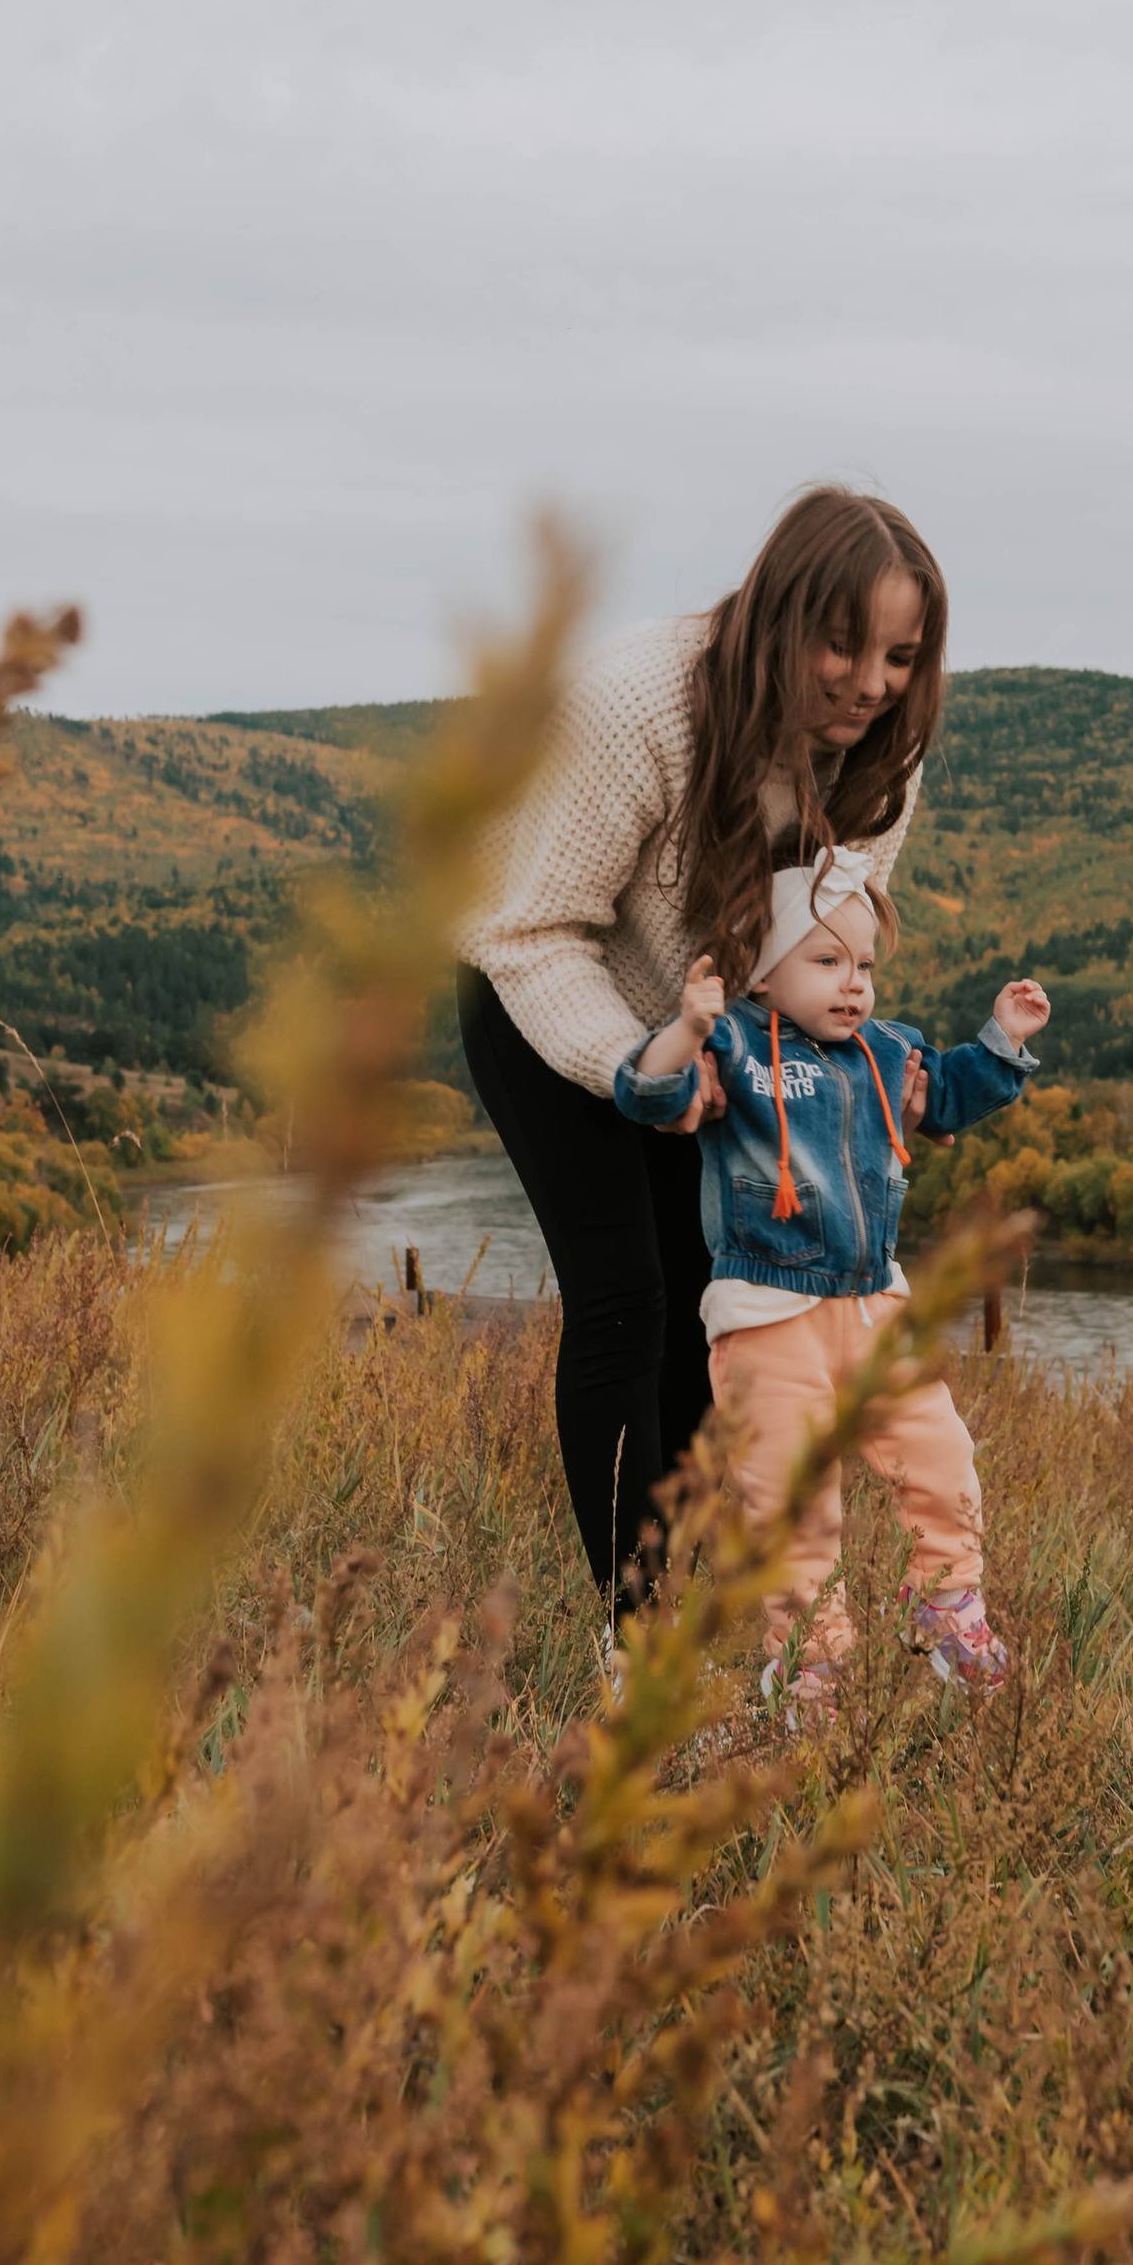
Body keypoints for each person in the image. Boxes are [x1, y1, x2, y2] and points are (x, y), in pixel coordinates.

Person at [457, 487, 944, 1613]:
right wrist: (649, 1068)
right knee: (625, 1295)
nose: (870, 685)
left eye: (900, 656)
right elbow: (523, 929)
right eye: (842, 645)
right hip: (547, 998)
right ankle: (628, 1629)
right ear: (779, 617)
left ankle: (672, 1588)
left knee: (712, 1300)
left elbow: (822, 951)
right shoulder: (637, 704)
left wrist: (845, 1078)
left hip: (717, 1040)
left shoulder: (882, 755)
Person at [613, 852, 1046, 1715]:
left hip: (875, 1302)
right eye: (828, 962)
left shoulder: (888, 1050)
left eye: (866, 967)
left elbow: (945, 1099)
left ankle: (947, 1612)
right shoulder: (736, 1040)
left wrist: (1003, 1041)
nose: (855, 986)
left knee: (941, 1455)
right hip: (769, 1312)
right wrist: (687, 1030)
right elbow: (646, 1094)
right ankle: (813, 1659)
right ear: (764, 972)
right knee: (796, 1499)